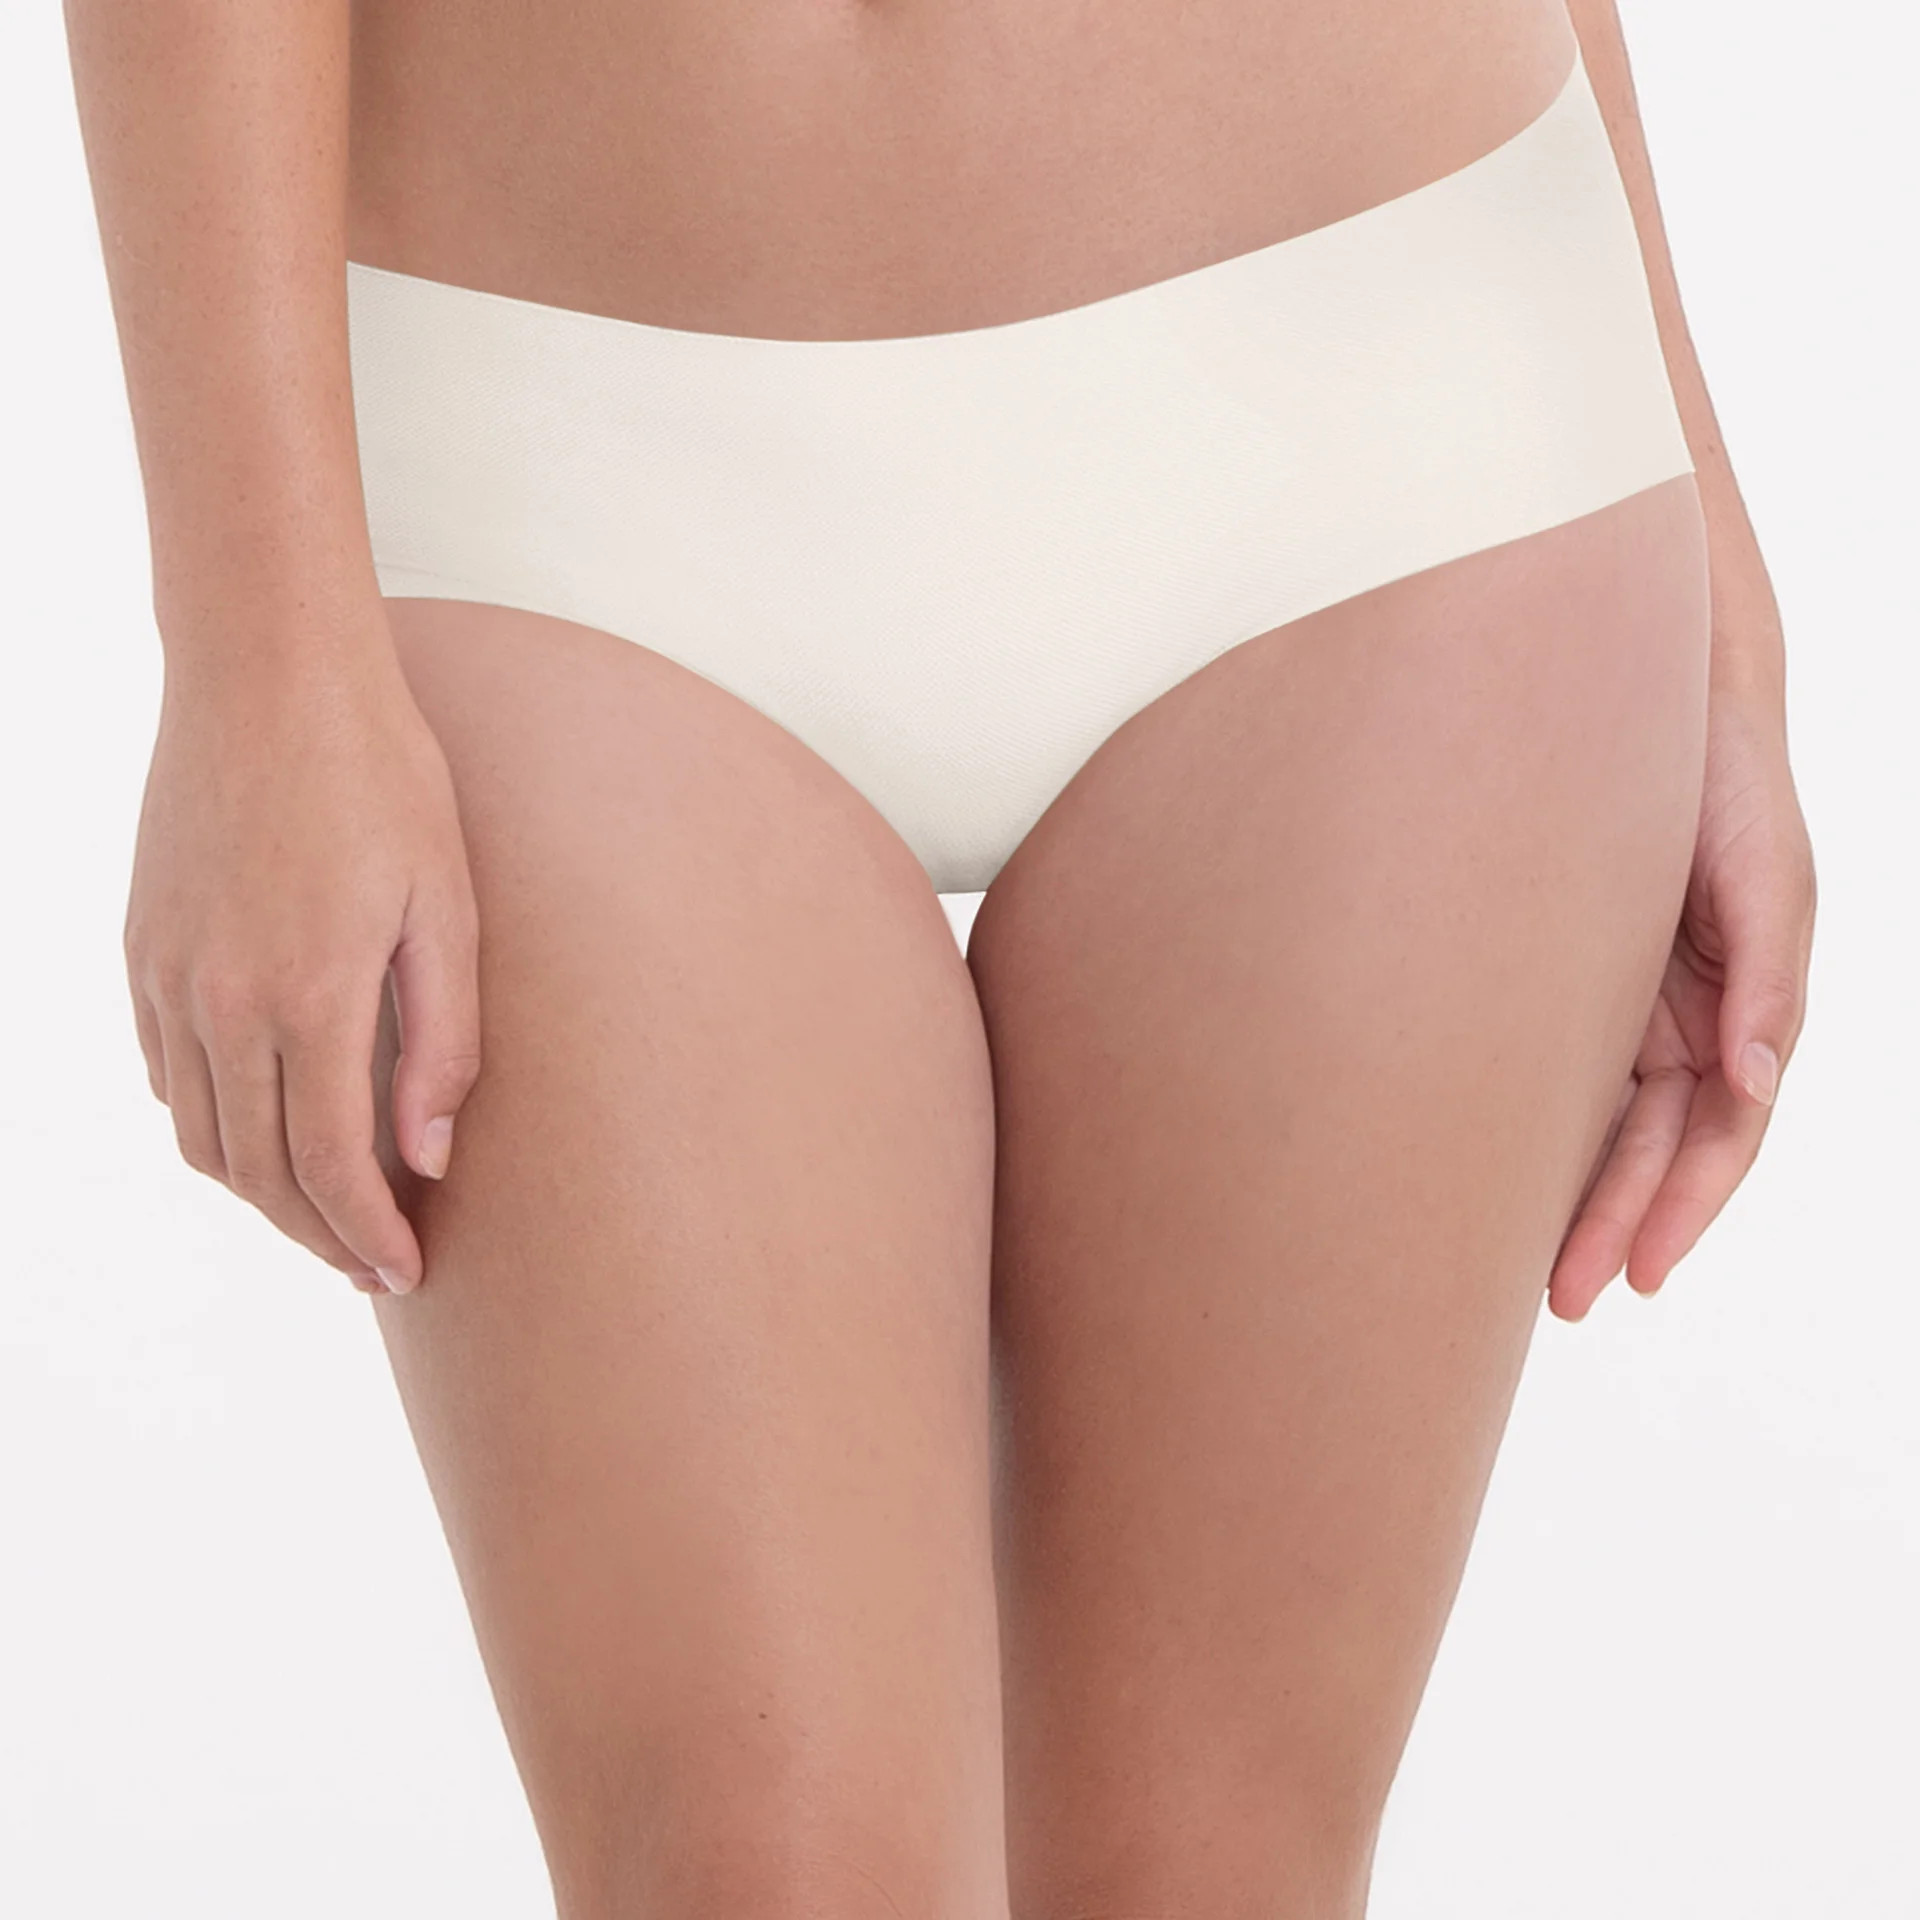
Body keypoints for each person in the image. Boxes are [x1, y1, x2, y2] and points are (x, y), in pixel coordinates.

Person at [61, 0, 1815, 1912]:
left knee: (1215, 1877)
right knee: (764, 1869)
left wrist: (1710, 563)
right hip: (552, 462)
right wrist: (252, 650)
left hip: (1397, 390)